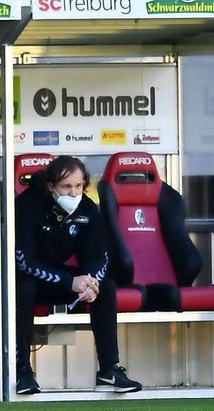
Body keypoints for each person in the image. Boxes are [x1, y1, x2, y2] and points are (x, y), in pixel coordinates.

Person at [14, 155, 142, 395]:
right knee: (23, 288)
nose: (73, 193)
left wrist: (90, 282)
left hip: (61, 279)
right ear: (51, 186)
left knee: (107, 286)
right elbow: (23, 261)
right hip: (25, 277)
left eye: (78, 186)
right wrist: (70, 282)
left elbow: (99, 254)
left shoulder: (87, 207)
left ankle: (109, 370)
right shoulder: (28, 205)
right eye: (66, 187)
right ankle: (22, 371)